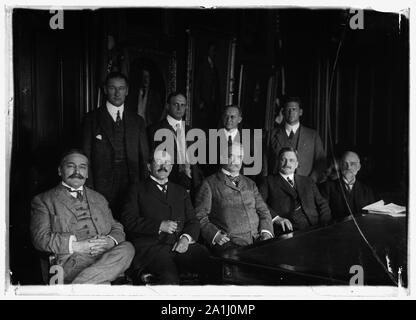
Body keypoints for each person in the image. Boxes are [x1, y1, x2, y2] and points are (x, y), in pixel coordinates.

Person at [30, 149, 134, 284]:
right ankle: (92, 283)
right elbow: (40, 239)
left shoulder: (99, 198)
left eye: (82, 167)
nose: (77, 171)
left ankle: (78, 287)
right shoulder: (43, 200)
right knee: (102, 284)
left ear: (87, 173)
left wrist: (110, 241)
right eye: (71, 166)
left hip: (105, 256)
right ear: (60, 171)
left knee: (128, 248)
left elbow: (116, 226)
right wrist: (77, 246)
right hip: (73, 259)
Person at [120, 150, 211, 285]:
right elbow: (128, 220)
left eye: (167, 163)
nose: (163, 166)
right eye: (159, 162)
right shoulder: (136, 189)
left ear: (172, 167)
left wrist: (185, 239)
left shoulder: (180, 191)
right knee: (170, 279)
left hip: (179, 245)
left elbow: (192, 221)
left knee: (208, 261)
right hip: (152, 249)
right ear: (149, 166)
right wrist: (159, 226)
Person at [82, 72, 149, 219]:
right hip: (101, 186)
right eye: (113, 88)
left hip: (131, 185)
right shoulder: (91, 119)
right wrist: (89, 189)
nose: (117, 93)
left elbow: (143, 159)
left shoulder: (137, 121)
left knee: (131, 224)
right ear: (105, 89)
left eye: (121, 88)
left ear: (127, 91)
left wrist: (144, 188)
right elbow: (85, 158)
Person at [195, 142, 275, 256]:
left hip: (258, 239)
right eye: (231, 156)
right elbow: (200, 215)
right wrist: (215, 235)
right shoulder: (209, 184)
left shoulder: (250, 183)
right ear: (223, 157)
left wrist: (266, 233)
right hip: (229, 243)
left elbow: (264, 211)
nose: (236, 161)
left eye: (239, 157)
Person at [260, 147, 331, 232]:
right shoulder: (268, 181)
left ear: (296, 164)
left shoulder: (307, 181)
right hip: (287, 230)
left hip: (314, 227)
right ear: (278, 162)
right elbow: (260, 203)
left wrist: (324, 225)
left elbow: (323, 205)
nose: (287, 163)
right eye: (283, 160)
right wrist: (276, 218)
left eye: (291, 160)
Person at [147, 91, 204, 196]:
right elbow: (149, 158)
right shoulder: (154, 130)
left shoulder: (190, 131)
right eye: (175, 104)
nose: (179, 108)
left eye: (183, 105)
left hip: (191, 184)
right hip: (167, 182)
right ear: (167, 106)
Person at [263, 96, 326, 183]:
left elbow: (321, 162)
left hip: (305, 187)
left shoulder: (312, 136)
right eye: (288, 109)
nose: (291, 112)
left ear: (300, 112)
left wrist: (311, 181)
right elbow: (265, 161)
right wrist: (267, 182)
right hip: (277, 187)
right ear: (283, 112)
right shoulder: (271, 134)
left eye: (294, 109)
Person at [320, 151, 378, 221]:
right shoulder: (328, 187)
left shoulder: (366, 190)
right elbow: (324, 218)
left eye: (352, 164)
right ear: (340, 166)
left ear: (359, 167)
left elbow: (372, 215)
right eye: (345, 163)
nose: (348, 167)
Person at [195, 43, 220, 129]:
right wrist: (199, 102)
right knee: (203, 125)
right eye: (213, 51)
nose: (214, 53)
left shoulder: (214, 67)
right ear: (208, 51)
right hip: (204, 102)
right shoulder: (202, 66)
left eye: (215, 51)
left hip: (212, 103)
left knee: (212, 125)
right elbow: (197, 85)